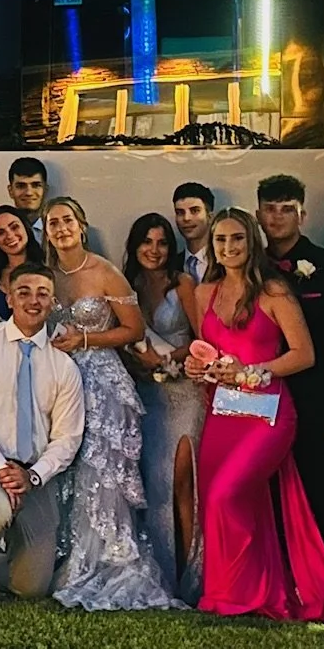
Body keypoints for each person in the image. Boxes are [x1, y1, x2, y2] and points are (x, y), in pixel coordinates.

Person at [188, 209, 324, 622]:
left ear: (252, 241)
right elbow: (209, 352)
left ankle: (242, 592)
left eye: (237, 238)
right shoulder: (203, 293)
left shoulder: (274, 290)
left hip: (268, 415)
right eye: (221, 240)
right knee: (215, 498)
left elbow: (304, 354)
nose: (229, 247)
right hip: (223, 411)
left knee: (226, 494)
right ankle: (235, 594)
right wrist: (199, 368)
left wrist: (255, 371)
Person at [42, 196, 176, 611]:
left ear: (81, 225)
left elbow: (133, 330)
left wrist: (84, 339)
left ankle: (109, 562)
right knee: (66, 473)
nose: (61, 228)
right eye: (53, 223)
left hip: (102, 384)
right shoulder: (45, 275)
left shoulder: (105, 272)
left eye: (67, 220)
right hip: (60, 385)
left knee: (99, 474)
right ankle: (65, 559)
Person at [256, 174, 324, 613]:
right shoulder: (249, 270)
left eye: (287, 208)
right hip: (263, 407)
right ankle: (281, 590)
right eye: (270, 208)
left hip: (322, 408)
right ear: (258, 214)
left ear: (302, 214)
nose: (277, 217)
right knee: (271, 503)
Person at [0, 266, 85, 602]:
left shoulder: (64, 365)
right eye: (24, 292)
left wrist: (32, 476)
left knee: (31, 588)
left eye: (42, 294)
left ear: (52, 302)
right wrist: (0, 470)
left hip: (32, 473)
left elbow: (67, 437)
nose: (33, 301)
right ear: (9, 299)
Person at [122, 212, 204, 600]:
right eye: (146, 242)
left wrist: (170, 359)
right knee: (154, 484)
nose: (154, 250)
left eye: (161, 243)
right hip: (148, 396)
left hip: (186, 393)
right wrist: (140, 363)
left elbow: (203, 337)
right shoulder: (127, 286)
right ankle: (161, 575)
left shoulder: (182, 283)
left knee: (182, 482)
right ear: (135, 246)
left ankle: (192, 577)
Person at [0, 205, 45, 320]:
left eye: (14, 227)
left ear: (26, 228)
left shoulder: (47, 267)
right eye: (0, 233)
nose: (9, 235)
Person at [172, 182, 216, 284]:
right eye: (180, 212)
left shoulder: (225, 261)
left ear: (210, 217)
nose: (186, 218)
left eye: (195, 211)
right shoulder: (171, 265)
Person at [7, 157, 49, 240]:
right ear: (10, 191)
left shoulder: (60, 231)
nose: (29, 193)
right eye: (21, 186)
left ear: (45, 190)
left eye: (36, 185)